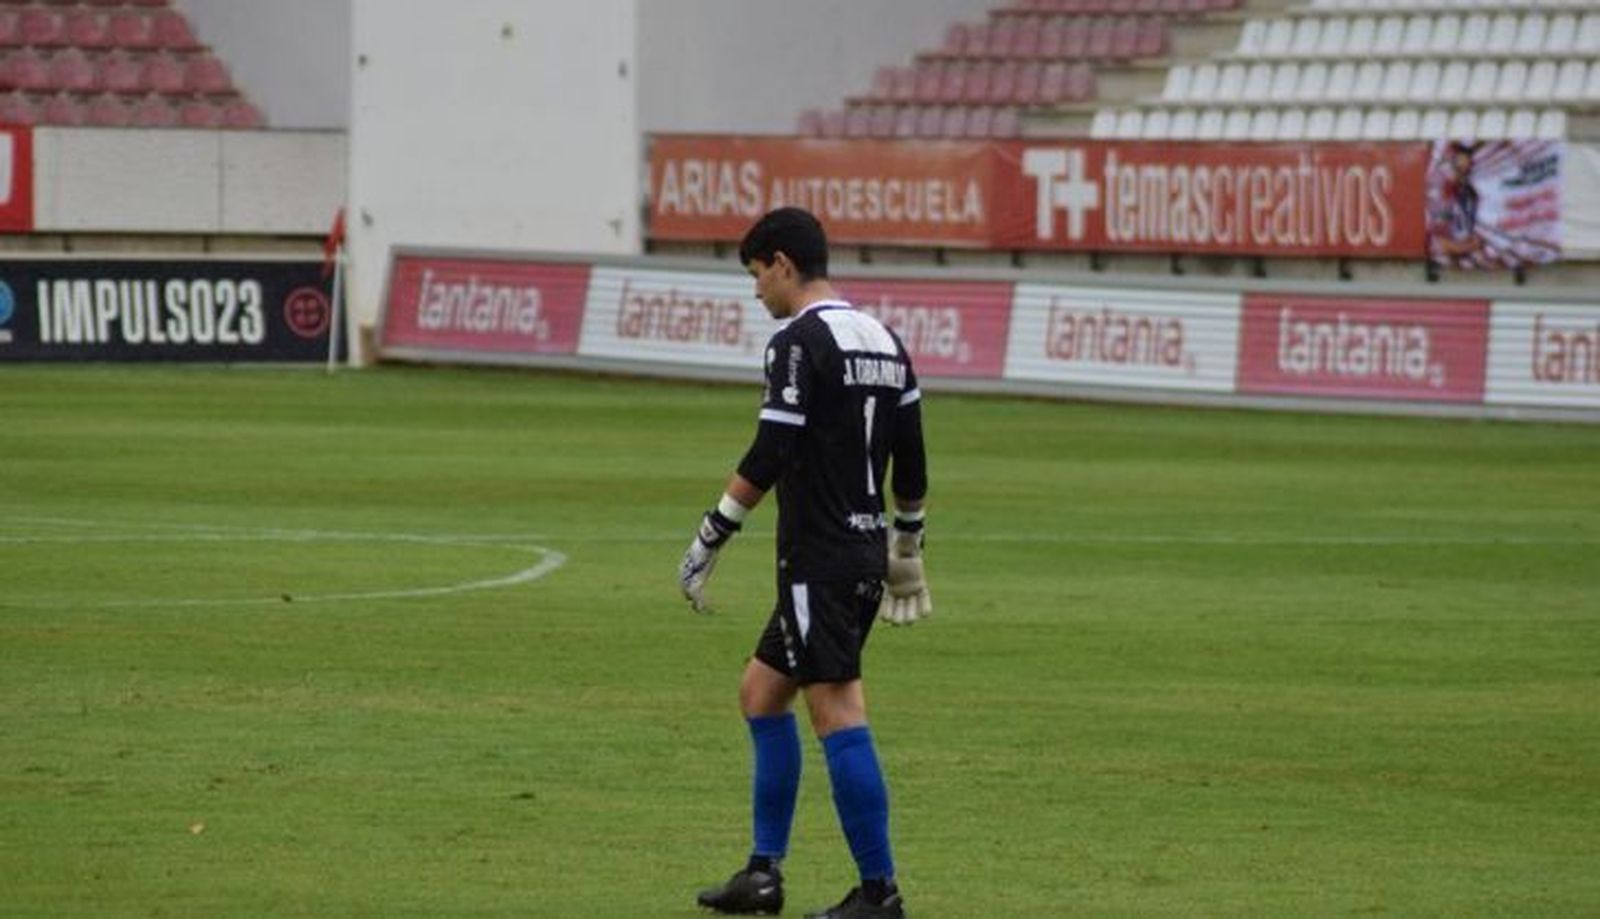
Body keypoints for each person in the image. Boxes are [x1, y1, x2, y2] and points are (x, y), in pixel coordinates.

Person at [678, 207, 933, 919]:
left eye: (758, 275)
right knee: (761, 692)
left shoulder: (796, 341)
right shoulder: (886, 339)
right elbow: (910, 456)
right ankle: (763, 873)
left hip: (818, 557)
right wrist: (907, 545)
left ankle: (880, 891)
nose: (758, 291)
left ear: (784, 264)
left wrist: (711, 533)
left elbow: (773, 449)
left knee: (838, 708)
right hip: (859, 549)